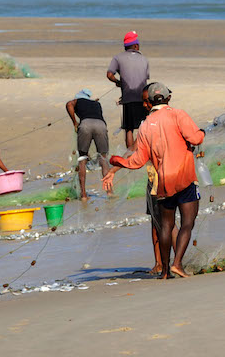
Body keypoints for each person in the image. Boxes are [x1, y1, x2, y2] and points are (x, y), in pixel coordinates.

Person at [102, 82, 205, 279]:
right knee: (187, 223)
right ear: (168, 98)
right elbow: (195, 138)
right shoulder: (178, 114)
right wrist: (202, 133)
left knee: (165, 225)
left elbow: (138, 160)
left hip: (162, 181)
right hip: (184, 177)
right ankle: (177, 264)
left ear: (148, 102)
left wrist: (117, 162)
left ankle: (165, 271)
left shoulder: (146, 124)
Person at [106, 31, 150, 149]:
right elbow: (145, 78)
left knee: (129, 128)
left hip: (128, 98)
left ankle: (130, 154)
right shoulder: (144, 59)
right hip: (143, 99)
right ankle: (143, 151)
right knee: (144, 127)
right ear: (136, 46)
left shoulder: (118, 58)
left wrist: (118, 82)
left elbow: (109, 74)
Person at [65, 89, 109, 200]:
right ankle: (109, 192)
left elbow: (69, 104)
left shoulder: (77, 101)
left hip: (85, 125)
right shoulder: (96, 103)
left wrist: (75, 122)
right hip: (101, 125)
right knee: (103, 159)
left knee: (82, 160)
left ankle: (83, 195)